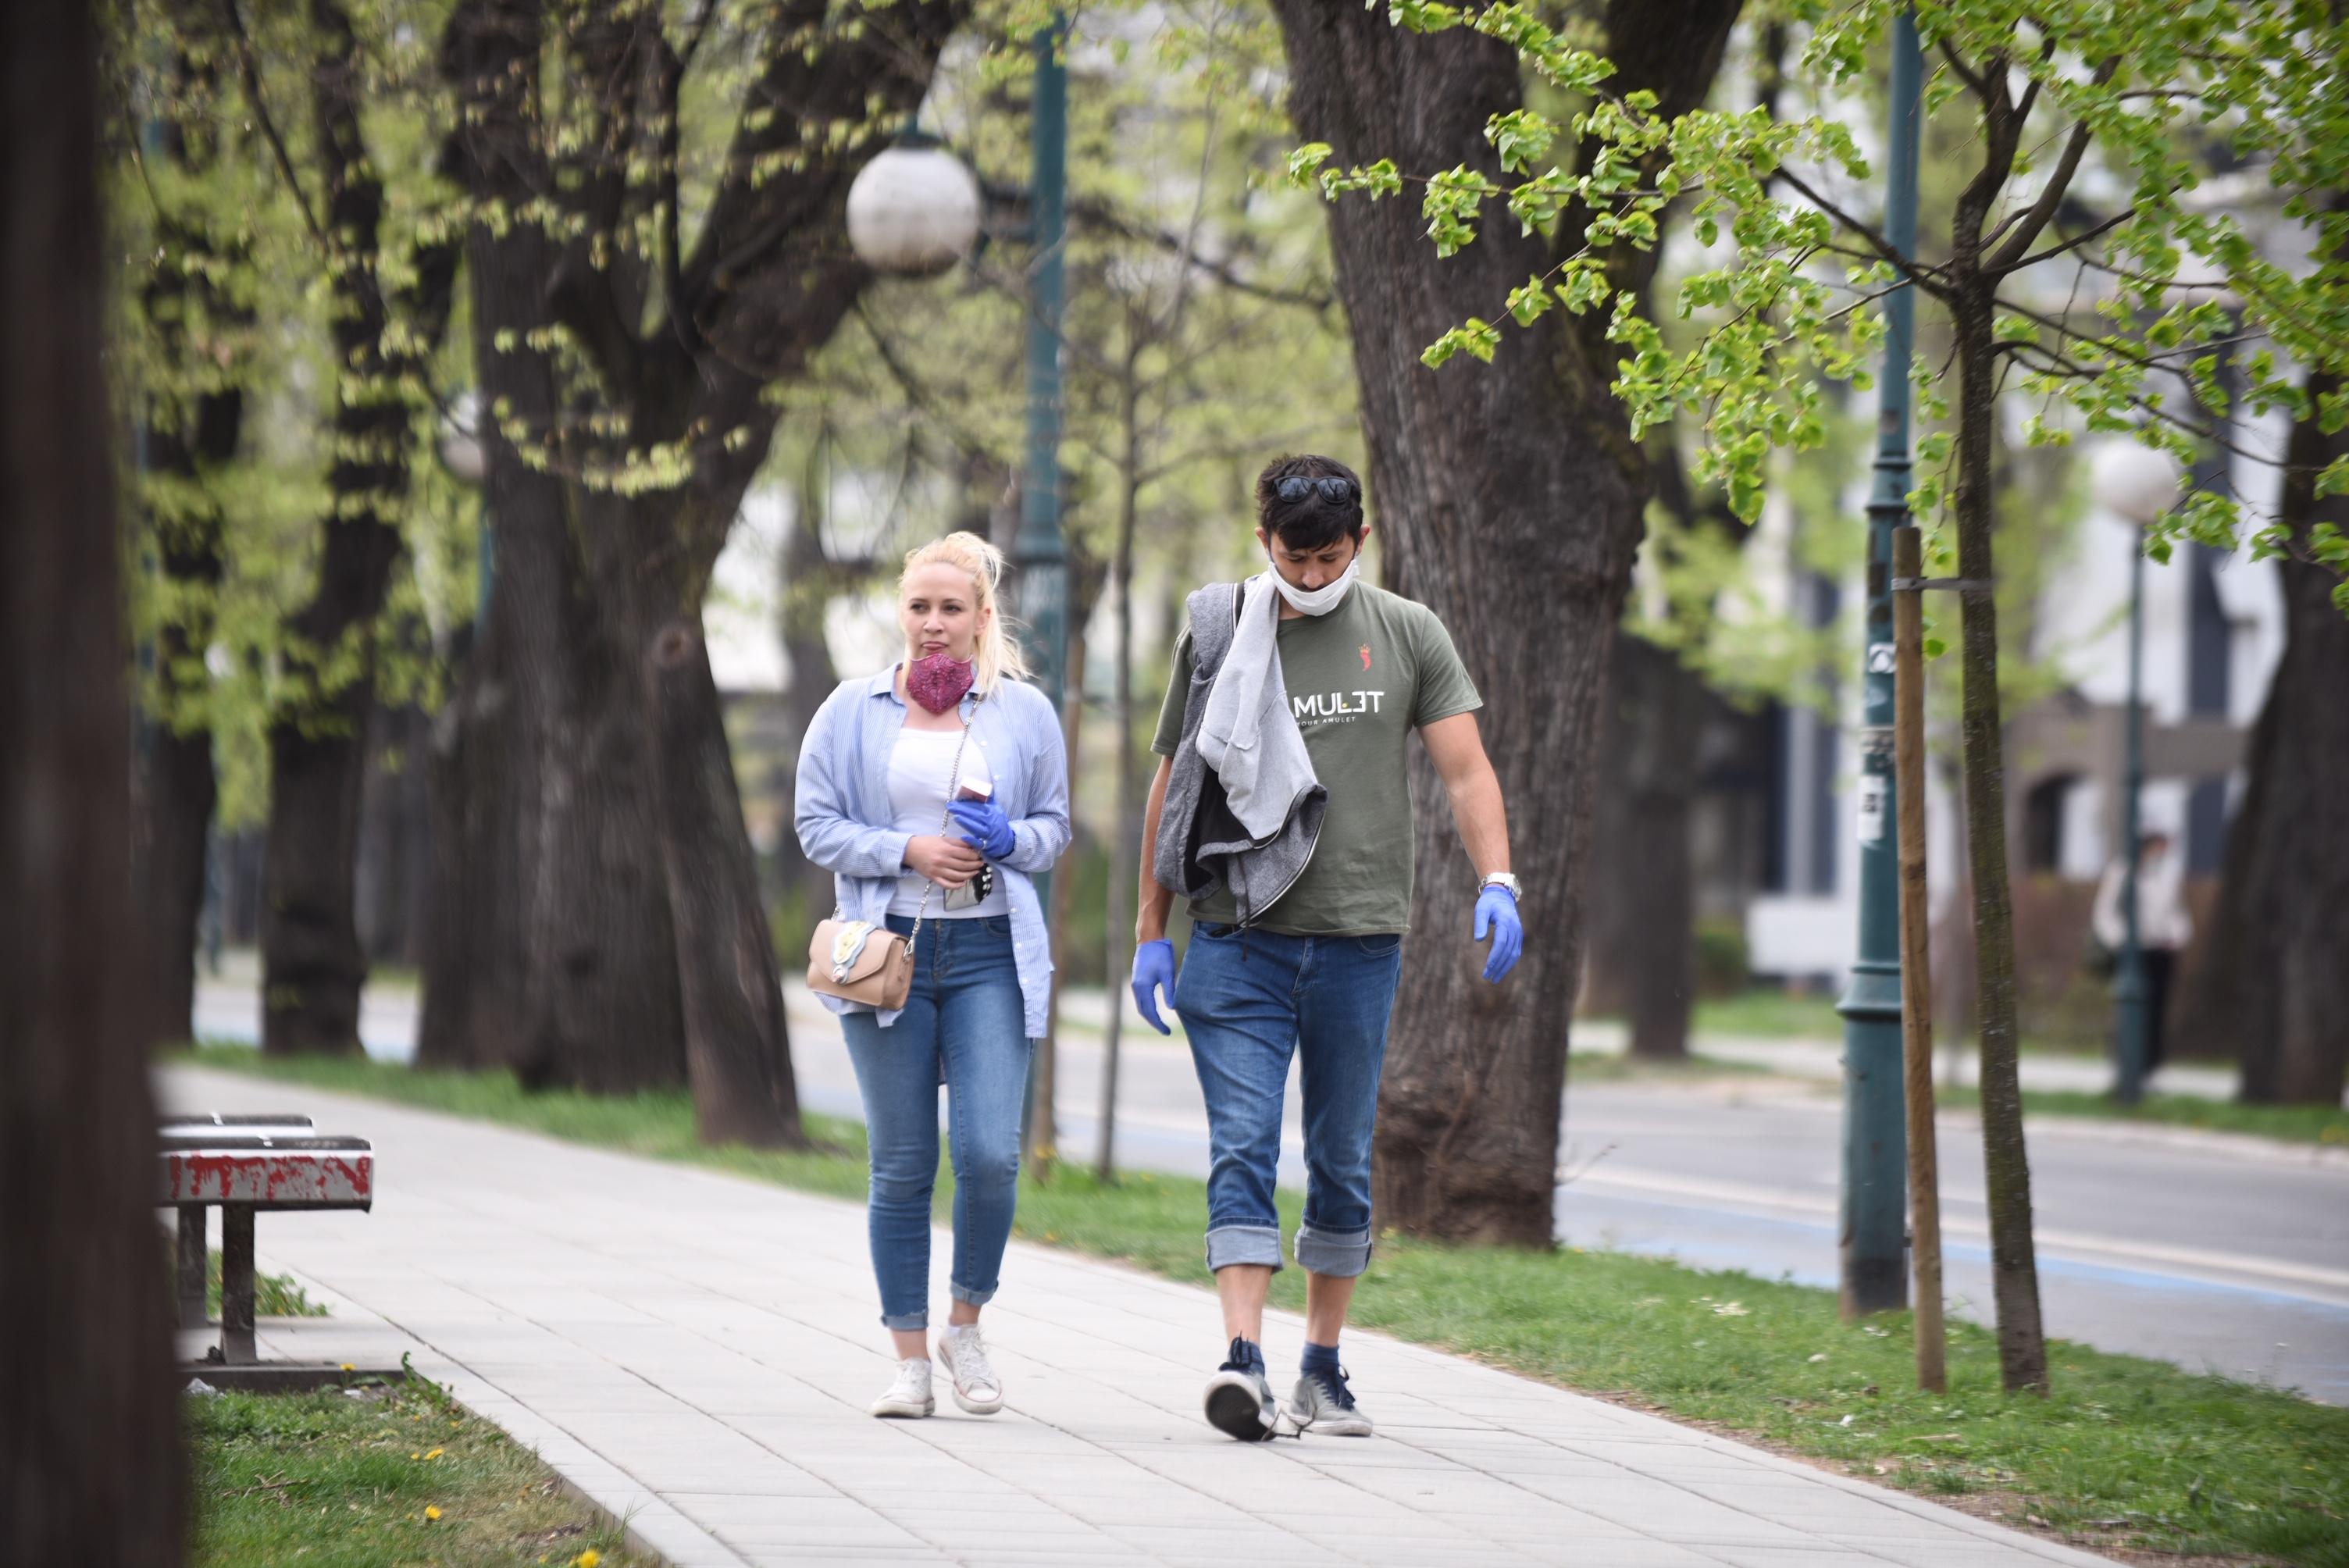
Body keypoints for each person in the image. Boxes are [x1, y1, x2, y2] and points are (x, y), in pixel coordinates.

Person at [1129, 454, 1523, 1441]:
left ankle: (1321, 1367)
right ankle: (1243, 1362)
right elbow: (1173, 787)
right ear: (1264, 541)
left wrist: (1499, 881)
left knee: (1343, 1158)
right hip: (1237, 936)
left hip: (1358, 940)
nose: (1310, 577)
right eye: (1293, 558)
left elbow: (1467, 771)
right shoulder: (1219, 631)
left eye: (1329, 558)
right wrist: (1151, 931)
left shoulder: (1404, 632)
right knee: (1242, 1148)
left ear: (1361, 542)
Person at [794, 532, 1070, 1421]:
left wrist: (1010, 842)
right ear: (901, 613)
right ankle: (909, 1361)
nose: (934, 624)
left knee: (989, 1155)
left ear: (982, 618)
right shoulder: (851, 709)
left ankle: (965, 1323)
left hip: (991, 952)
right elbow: (816, 824)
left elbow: (1054, 829)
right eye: (919, 607)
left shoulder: (1024, 713)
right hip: (887, 957)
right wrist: (904, 846)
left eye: (952, 608)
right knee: (902, 1162)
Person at [2091, 828, 2192, 1074]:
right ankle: (2125, 1063)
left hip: (2161, 949)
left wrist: (2177, 935)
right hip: (2133, 951)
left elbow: (2176, 911)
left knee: (2158, 1009)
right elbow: (2105, 912)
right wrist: (2122, 941)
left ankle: (2152, 1066)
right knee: (2129, 1008)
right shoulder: (2123, 870)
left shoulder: (2167, 873)